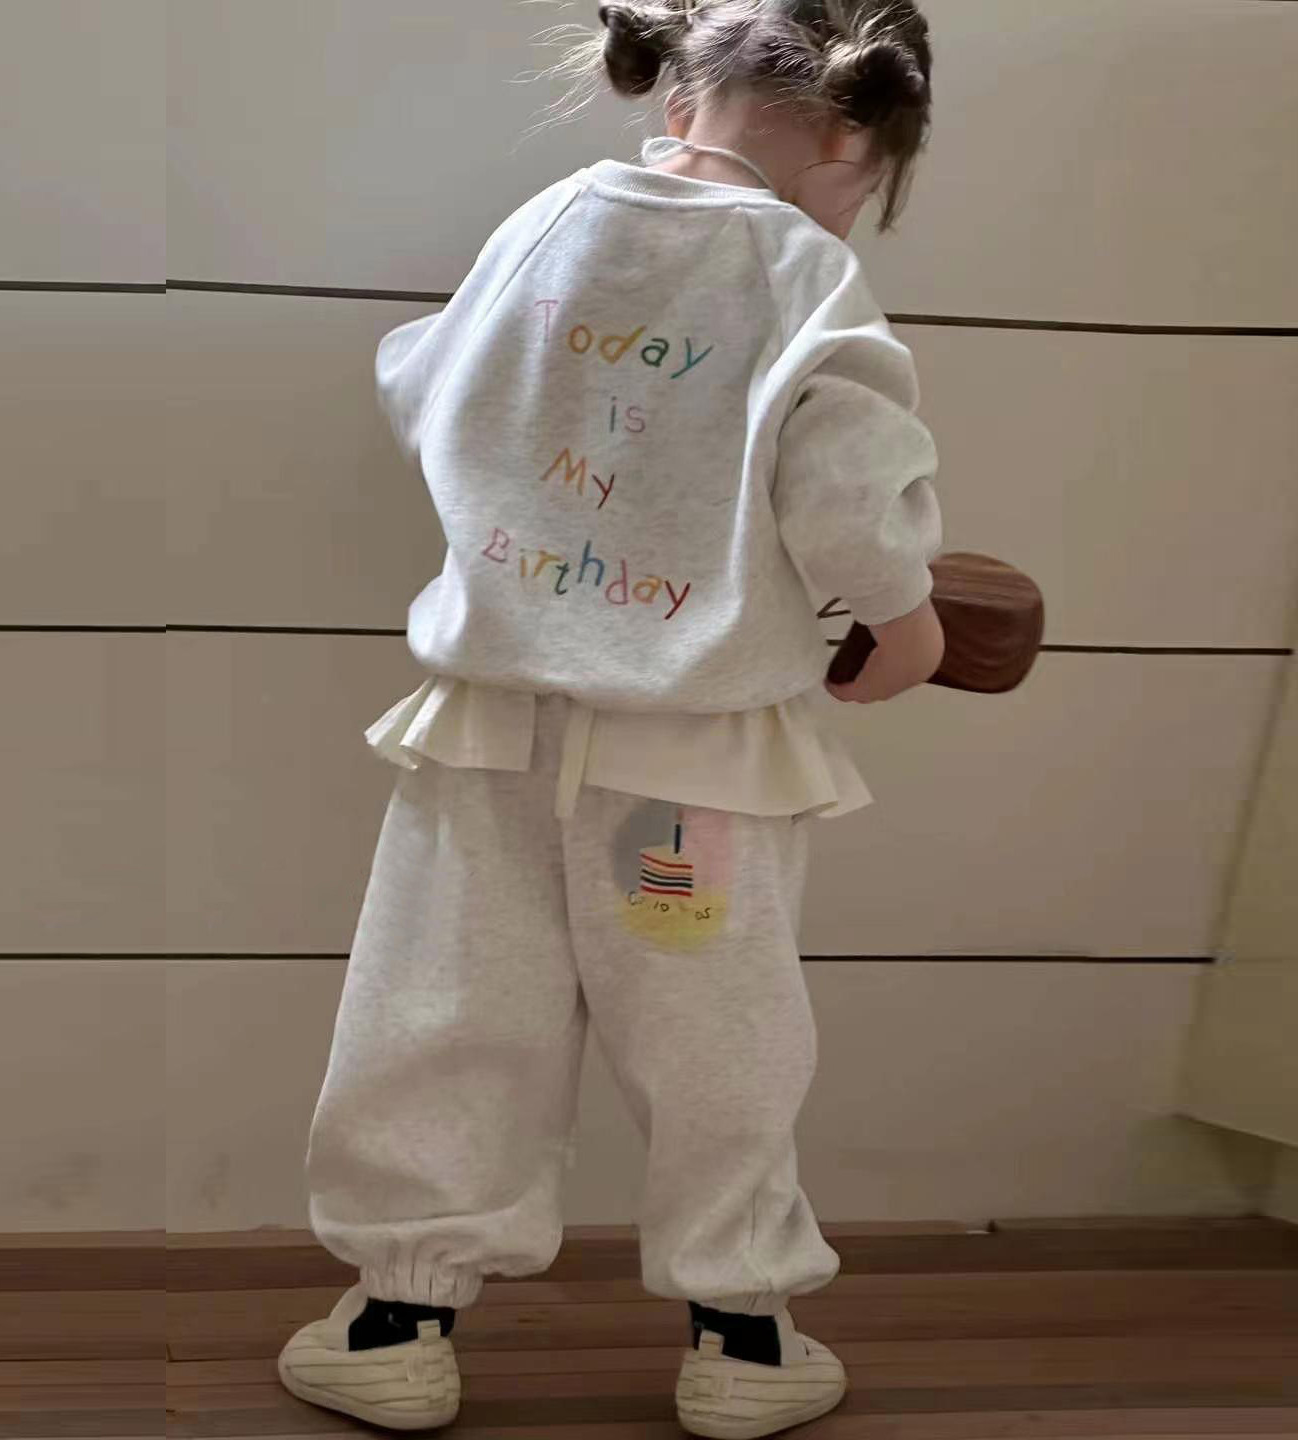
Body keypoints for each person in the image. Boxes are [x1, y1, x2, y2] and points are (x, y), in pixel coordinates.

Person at [277, 1, 941, 1433]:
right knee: (711, 1039)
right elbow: (845, 490)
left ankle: (397, 1320)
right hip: (685, 781)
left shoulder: (544, 228)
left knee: (446, 1015)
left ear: (677, 96)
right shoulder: (802, 270)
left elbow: (424, 386)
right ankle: (742, 1336)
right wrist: (908, 617)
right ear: (850, 140)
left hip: (490, 744)